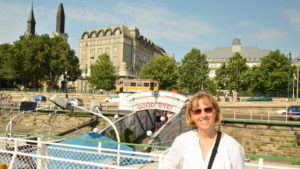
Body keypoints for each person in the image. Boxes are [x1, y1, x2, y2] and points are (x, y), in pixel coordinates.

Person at [163, 90, 245, 169]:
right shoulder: (183, 140)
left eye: (208, 109)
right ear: (191, 115)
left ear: (215, 111)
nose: (203, 115)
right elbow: (168, 165)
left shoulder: (232, 146)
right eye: (197, 111)